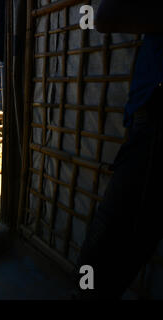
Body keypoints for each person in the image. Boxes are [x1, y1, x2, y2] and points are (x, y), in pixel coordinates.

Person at [73, 0, 163, 299]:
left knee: (114, 231)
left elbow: (107, 15)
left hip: (154, 117)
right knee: (130, 231)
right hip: (149, 115)